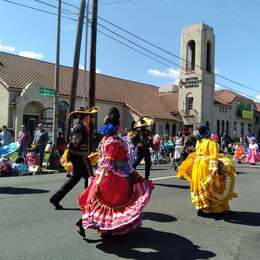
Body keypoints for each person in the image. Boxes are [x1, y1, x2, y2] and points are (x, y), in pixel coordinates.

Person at [76, 107, 153, 238]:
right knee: (114, 203)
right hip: (113, 177)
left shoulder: (106, 139)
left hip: (108, 174)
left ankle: (103, 228)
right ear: (117, 125)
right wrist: (100, 180)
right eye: (119, 124)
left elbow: (109, 160)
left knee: (101, 202)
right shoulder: (115, 142)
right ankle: (90, 225)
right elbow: (108, 162)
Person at [177, 124, 237, 216]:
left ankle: (203, 207)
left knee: (200, 185)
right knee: (210, 185)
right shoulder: (211, 142)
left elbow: (197, 154)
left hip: (198, 165)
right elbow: (213, 156)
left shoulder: (198, 142)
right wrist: (214, 169)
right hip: (206, 165)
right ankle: (211, 208)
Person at [49, 106, 99, 210]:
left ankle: (56, 198)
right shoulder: (80, 127)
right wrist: (72, 153)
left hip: (78, 156)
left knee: (75, 179)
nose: (90, 118)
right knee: (90, 178)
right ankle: (88, 202)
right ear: (85, 117)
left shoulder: (79, 126)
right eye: (89, 116)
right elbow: (74, 142)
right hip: (80, 157)